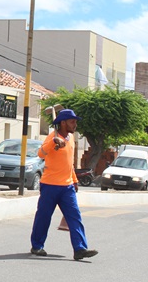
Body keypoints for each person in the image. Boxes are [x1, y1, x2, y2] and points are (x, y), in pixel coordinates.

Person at [29, 109, 98, 261]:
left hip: (67, 187)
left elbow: (69, 163)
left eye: (75, 121)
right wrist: (53, 144)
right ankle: (37, 245)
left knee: (75, 217)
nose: (75, 124)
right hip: (50, 185)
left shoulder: (71, 138)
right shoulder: (52, 138)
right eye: (72, 121)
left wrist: (74, 180)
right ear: (63, 123)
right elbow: (41, 154)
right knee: (44, 216)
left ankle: (80, 249)